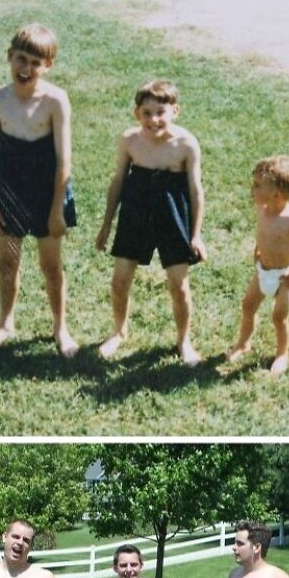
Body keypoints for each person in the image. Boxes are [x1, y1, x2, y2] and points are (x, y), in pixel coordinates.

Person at [0, 23, 78, 357]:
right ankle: (5, 323)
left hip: (46, 188)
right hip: (10, 188)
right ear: (9, 57)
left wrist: (56, 209)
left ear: (47, 66)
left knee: (51, 265)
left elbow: (65, 160)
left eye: (36, 62)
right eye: (21, 59)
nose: (27, 68)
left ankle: (60, 327)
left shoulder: (55, 101)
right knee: (7, 261)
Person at [95, 79, 207, 366]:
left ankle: (184, 340)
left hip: (172, 212)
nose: (153, 120)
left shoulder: (186, 144)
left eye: (161, 112)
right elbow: (118, 181)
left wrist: (196, 235)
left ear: (175, 111)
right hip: (136, 210)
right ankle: (119, 331)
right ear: (137, 114)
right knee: (120, 279)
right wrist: (107, 225)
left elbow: (195, 191)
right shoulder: (130, 140)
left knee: (178, 285)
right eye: (146, 113)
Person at [227, 155, 289, 376]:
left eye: (258, 186)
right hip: (263, 271)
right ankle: (243, 343)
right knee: (248, 306)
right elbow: (263, 233)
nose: (252, 189)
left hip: (285, 276)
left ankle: (281, 354)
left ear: (276, 194)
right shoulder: (263, 208)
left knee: (279, 317)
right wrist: (257, 251)